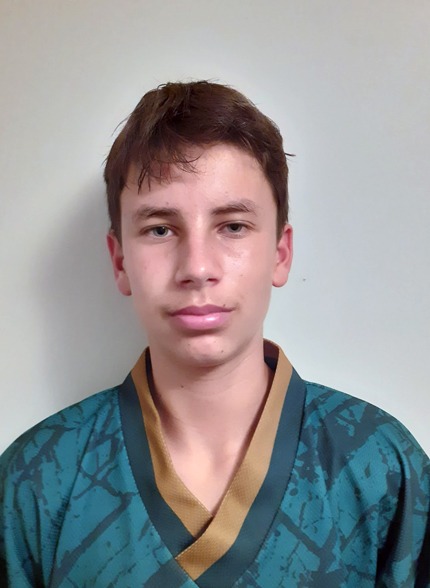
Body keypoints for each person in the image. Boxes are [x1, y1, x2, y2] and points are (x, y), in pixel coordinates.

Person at [0, 81, 429, 588]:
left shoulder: (381, 467)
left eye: (233, 226)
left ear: (280, 253)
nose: (197, 268)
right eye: (160, 229)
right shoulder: (36, 481)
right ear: (119, 261)